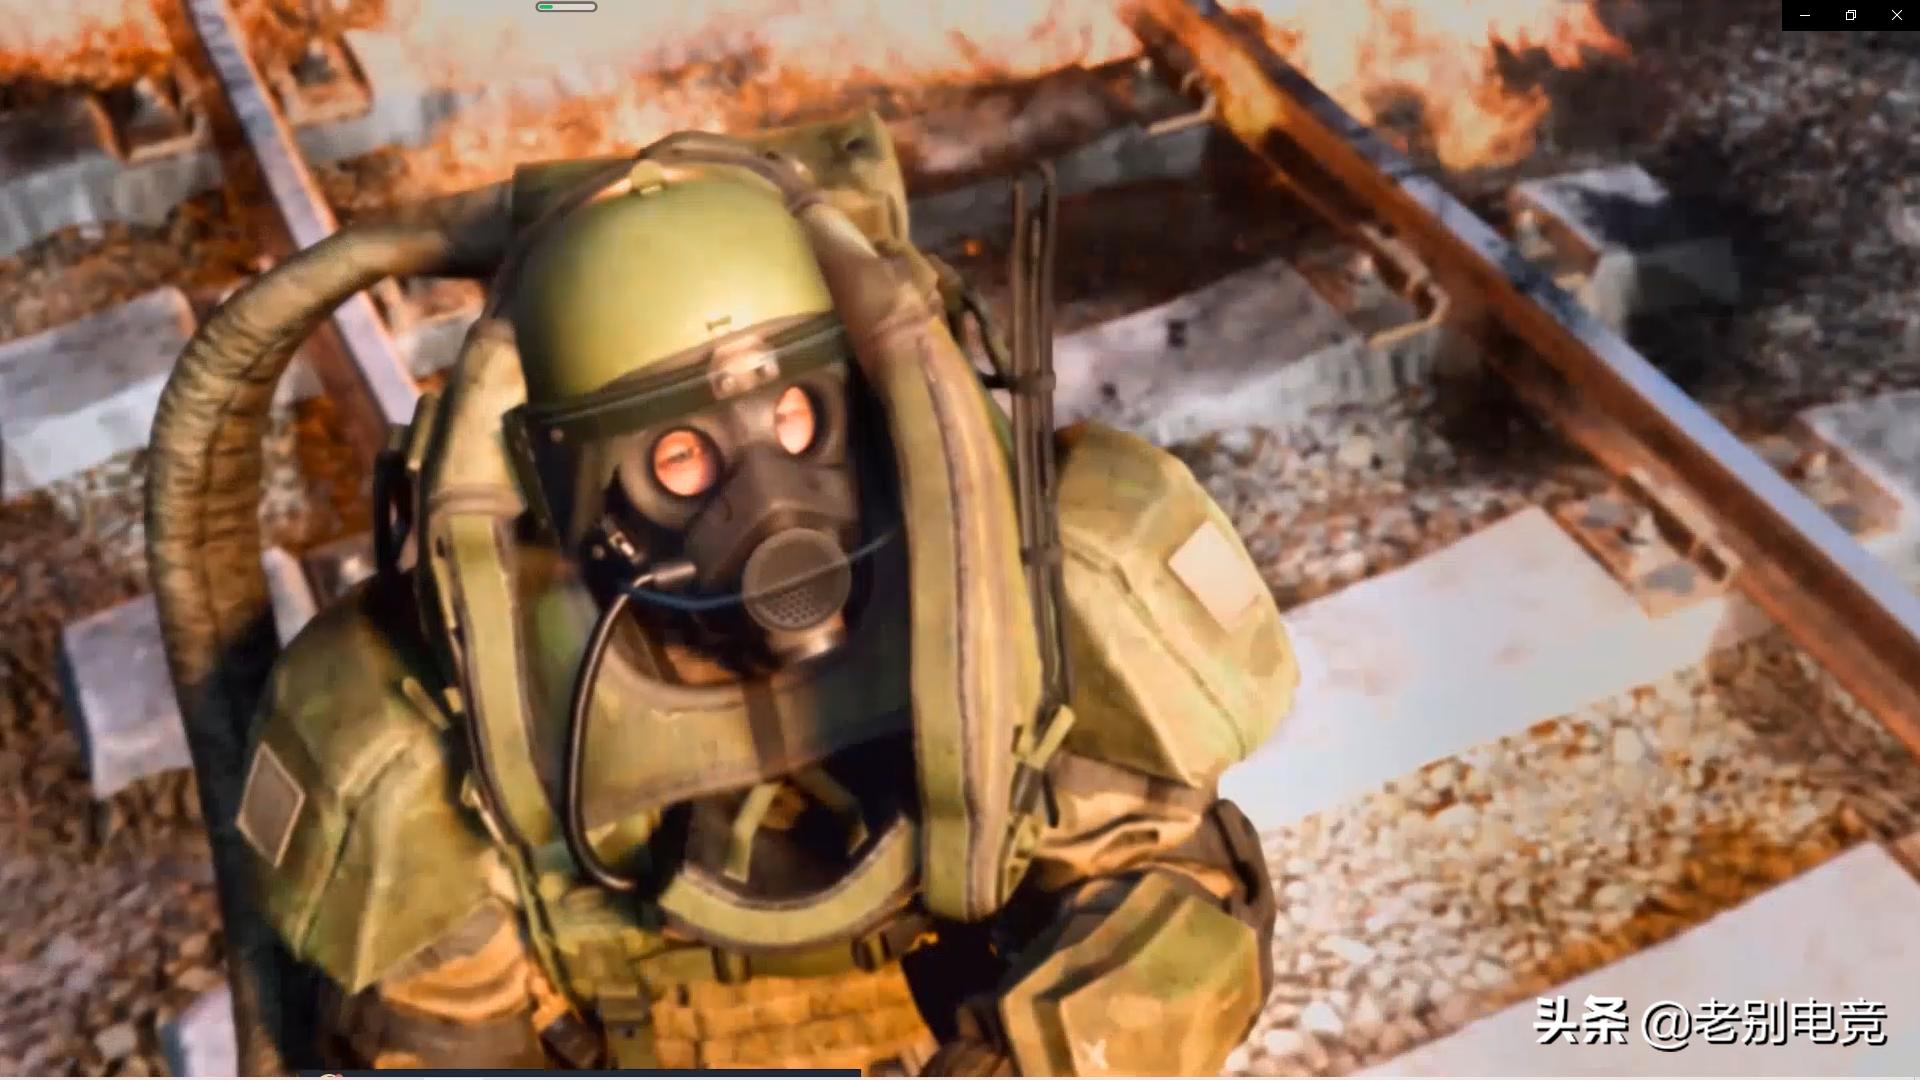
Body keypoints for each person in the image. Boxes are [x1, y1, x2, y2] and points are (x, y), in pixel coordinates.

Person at [147, 113, 1297, 1075]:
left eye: (795, 419)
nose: (767, 493)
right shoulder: (445, 720)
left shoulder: (1024, 588)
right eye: (683, 458)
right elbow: (435, 1042)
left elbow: (1178, 903)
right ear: (576, 484)